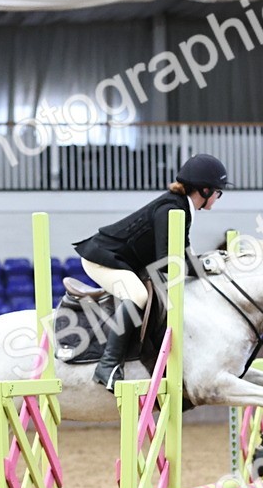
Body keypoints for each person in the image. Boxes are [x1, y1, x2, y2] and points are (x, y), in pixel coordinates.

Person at [73, 153, 229, 390]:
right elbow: (167, 263)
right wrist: (204, 266)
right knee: (138, 295)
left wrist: (206, 263)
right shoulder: (170, 209)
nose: (218, 197)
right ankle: (107, 365)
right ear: (205, 191)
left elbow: (185, 254)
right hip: (102, 259)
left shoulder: (182, 208)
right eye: (218, 192)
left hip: (122, 261)